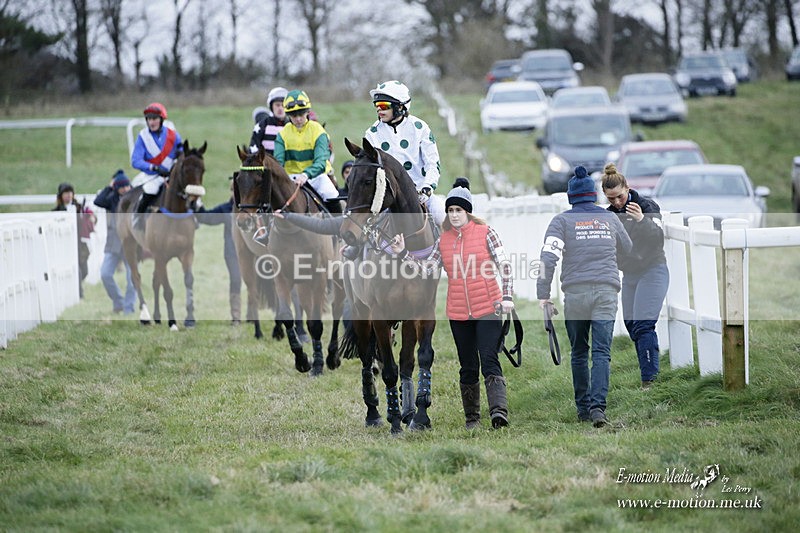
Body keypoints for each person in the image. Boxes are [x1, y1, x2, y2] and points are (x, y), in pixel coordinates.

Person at [390, 181, 515, 429]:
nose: (454, 215)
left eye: (459, 210)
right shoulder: (443, 241)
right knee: (467, 365)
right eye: (450, 211)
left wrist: (508, 297)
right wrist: (404, 253)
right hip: (458, 313)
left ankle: (498, 412)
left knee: (489, 358)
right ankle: (472, 418)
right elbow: (426, 269)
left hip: (488, 307)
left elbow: (505, 267)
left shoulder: (486, 233)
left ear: (467, 211)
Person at [537, 166, 632, 428]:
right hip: (605, 290)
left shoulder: (561, 222)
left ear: (571, 197)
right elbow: (628, 248)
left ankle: (582, 408)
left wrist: (543, 295)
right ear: (594, 195)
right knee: (602, 352)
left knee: (579, 351)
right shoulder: (610, 220)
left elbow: (548, 258)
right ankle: (598, 408)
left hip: (576, 293)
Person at [601, 163, 668, 389]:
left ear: (627, 188)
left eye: (620, 196)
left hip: (653, 269)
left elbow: (658, 238)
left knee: (644, 324)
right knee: (631, 324)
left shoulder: (647, 206)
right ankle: (650, 371)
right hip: (629, 274)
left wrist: (642, 220)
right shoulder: (609, 216)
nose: (617, 203)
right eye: (611, 200)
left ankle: (650, 380)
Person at [364, 80, 444, 226]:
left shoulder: (420, 128)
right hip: (387, 197)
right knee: (364, 228)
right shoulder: (371, 134)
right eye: (376, 105)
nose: (379, 110)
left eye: (383, 106)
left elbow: (433, 164)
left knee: (446, 219)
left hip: (421, 194)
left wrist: (427, 188)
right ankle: (353, 249)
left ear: (400, 106)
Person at [273, 90, 341, 215]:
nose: (298, 119)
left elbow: (321, 161)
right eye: (294, 115)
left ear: (307, 112)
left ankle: (339, 230)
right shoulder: (282, 134)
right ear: (288, 115)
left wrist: (306, 175)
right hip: (290, 177)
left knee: (332, 195)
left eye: (301, 114)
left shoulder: (318, 131)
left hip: (316, 177)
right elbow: (278, 162)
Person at [130, 102, 184, 229]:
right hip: (153, 176)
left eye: (154, 118)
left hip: (172, 175)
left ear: (161, 120)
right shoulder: (143, 137)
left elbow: (182, 152)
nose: (151, 122)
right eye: (149, 119)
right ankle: (138, 219)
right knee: (150, 189)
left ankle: (193, 216)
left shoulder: (173, 135)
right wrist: (152, 167)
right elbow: (135, 160)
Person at [197, 179, 242, 325]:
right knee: (236, 280)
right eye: (233, 191)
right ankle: (236, 316)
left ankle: (252, 315)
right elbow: (207, 217)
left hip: (251, 253)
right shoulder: (226, 209)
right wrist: (197, 204)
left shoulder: (252, 209)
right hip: (232, 253)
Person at [93, 170, 135, 314]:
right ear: (117, 188)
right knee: (105, 274)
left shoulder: (135, 198)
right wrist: (109, 187)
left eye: (127, 186)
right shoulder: (111, 199)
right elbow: (97, 201)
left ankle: (129, 309)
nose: (126, 189)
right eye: (122, 187)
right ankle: (119, 302)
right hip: (113, 244)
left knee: (132, 279)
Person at [52, 182, 96, 298]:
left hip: (80, 242)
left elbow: (91, 216)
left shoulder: (80, 207)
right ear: (61, 195)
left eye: (70, 192)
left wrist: (91, 217)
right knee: (77, 270)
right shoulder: (56, 211)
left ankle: (75, 289)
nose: (69, 195)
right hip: (66, 245)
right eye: (66, 193)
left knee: (84, 270)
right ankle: (79, 295)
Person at [249, 86, 288, 155]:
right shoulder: (263, 125)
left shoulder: (291, 125)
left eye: (283, 105)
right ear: (271, 106)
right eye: (277, 105)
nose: (280, 108)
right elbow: (254, 148)